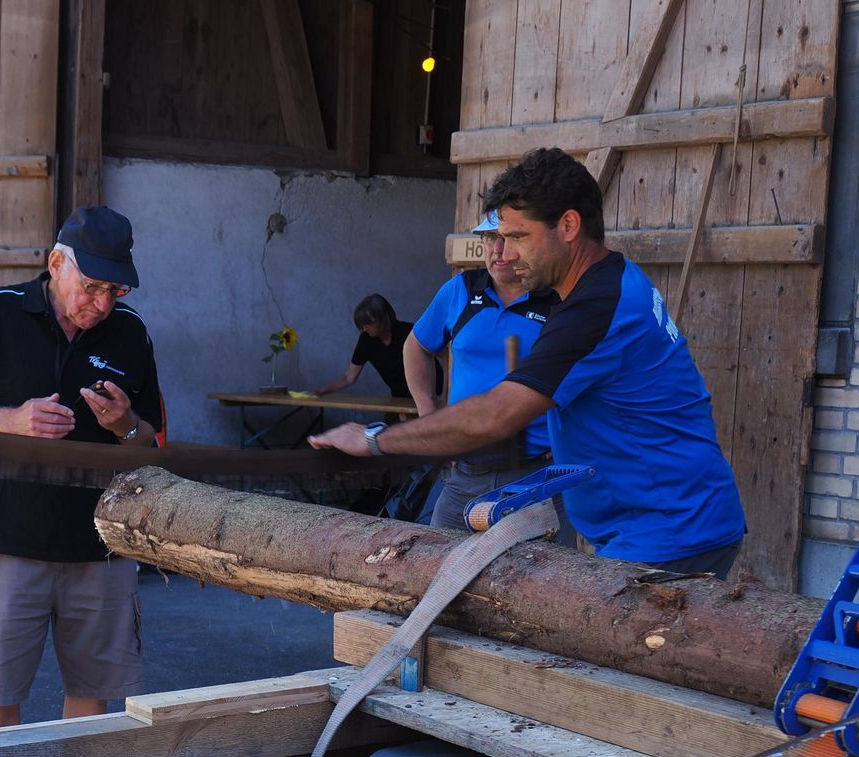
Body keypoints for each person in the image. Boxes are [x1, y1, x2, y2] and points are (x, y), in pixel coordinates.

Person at [311, 147, 746, 577]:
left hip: (671, 533)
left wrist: (375, 439)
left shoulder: (595, 308)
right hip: (658, 525)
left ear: (568, 226)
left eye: (519, 237)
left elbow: (495, 415)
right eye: (499, 238)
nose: (508, 252)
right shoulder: (607, 283)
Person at [0, 206, 163, 729]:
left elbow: (148, 441)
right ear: (57, 263)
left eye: (116, 290)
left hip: (103, 544)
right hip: (11, 538)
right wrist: (13, 421)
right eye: (92, 287)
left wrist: (125, 425)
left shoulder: (131, 332)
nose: (102, 304)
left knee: (92, 697)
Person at [404, 212, 559, 528]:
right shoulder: (460, 290)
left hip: (535, 478)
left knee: (538, 560)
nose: (498, 251)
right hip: (464, 476)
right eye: (490, 238)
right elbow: (416, 346)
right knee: (439, 556)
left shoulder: (556, 299)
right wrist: (428, 416)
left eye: (509, 239)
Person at [304, 293, 411, 398]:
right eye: (362, 324)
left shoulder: (410, 333)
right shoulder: (366, 339)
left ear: (384, 317)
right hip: (398, 399)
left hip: (420, 396)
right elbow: (349, 377)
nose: (365, 328)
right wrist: (320, 392)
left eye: (369, 323)